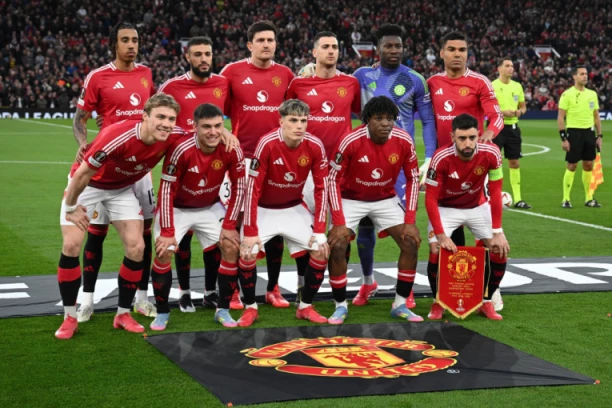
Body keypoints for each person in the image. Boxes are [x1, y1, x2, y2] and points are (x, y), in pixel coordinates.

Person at [55, 93, 182, 339]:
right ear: (145, 117)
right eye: (160, 117)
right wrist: (71, 207)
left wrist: (225, 134)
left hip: (121, 189)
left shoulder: (173, 135)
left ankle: (123, 314)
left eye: (171, 119)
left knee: (137, 247)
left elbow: (202, 135)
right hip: (87, 186)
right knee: (71, 245)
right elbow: (82, 174)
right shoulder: (118, 136)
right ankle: (69, 317)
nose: (166, 124)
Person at [217, 99, 330, 327]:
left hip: (293, 207)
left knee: (321, 250)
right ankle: (251, 308)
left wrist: (320, 230)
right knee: (247, 252)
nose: (299, 126)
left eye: (303, 121)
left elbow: (322, 188)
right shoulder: (267, 143)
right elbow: (252, 190)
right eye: (293, 120)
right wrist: (250, 231)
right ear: (281, 122)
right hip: (263, 209)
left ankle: (305, 307)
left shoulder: (315, 145)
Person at [73, 22, 157, 323]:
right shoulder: (98, 77)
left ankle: (142, 299)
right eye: (125, 40)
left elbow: (152, 114)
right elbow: (80, 119)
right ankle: (87, 300)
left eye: (135, 40)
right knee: (96, 233)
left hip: (141, 168)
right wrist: (83, 144)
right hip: (108, 166)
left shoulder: (146, 74)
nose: (132, 45)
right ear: (114, 44)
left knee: (144, 233)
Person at [351, 23, 436, 308]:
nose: (394, 50)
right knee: (364, 226)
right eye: (388, 45)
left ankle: (405, 289)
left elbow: (427, 120)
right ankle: (367, 281)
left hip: (399, 166)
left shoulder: (415, 79)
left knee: (404, 229)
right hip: (366, 162)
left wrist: (430, 156)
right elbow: (344, 103)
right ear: (377, 49)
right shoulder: (362, 76)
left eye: (398, 46)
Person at [327, 96, 423, 324]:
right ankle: (340, 305)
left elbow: (413, 178)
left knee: (410, 242)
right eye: (379, 118)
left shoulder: (403, 140)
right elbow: (332, 179)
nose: (385, 123)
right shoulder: (350, 140)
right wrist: (338, 221)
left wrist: (410, 220)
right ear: (368, 120)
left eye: (389, 118)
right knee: (337, 244)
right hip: (350, 198)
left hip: (384, 198)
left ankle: (400, 304)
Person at [220, 20, 295, 308]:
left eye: (271, 40)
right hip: (242, 159)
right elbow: (217, 109)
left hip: (277, 160)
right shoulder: (232, 72)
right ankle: (235, 289)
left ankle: (273, 288)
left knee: (275, 224)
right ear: (250, 45)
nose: (266, 44)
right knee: (237, 223)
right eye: (261, 40)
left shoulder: (285, 75)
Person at [149, 103, 245, 330]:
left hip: (209, 206)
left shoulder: (231, 148)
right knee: (164, 251)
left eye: (218, 126)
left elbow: (240, 187)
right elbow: (166, 191)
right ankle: (162, 312)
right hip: (177, 208)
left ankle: (222, 310)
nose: (213, 132)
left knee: (231, 246)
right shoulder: (181, 149)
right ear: (195, 127)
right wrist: (168, 232)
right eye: (206, 127)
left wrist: (230, 225)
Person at [157, 36, 231, 313]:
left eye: (207, 54)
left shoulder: (223, 83)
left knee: (215, 242)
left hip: (214, 166)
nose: (203, 59)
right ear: (187, 57)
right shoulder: (172, 87)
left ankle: (210, 292)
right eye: (197, 54)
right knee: (183, 239)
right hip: (181, 167)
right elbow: (153, 114)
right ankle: (184, 292)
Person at [285, 30, 360, 303]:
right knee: (306, 230)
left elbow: (361, 114)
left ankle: (340, 289)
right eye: (326, 46)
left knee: (341, 230)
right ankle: (303, 286)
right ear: (314, 52)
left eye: (335, 47)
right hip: (306, 169)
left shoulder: (350, 83)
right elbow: (287, 118)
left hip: (342, 169)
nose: (331, 51)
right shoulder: (299, 84)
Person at [426, 30, 504, 283]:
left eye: (462, 50)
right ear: (442, 53)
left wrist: (489, 133)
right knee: (450, 227)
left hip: (472, 162)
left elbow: (496, 116)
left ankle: (488, 290)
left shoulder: (480, 82)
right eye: (451, 49)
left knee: (482, 228)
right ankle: (455, 288)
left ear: (468, 53)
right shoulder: (432, 82)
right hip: (444, 163)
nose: (457, 54)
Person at [424, 113, 510, 321]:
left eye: (472, 137)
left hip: (476, 207)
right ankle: (438, 302)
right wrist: (441, 235)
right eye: (462, 138)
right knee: (435, 249)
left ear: (478, 135)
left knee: (500, 249)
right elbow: (430, 199)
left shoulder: (492, 152)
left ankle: (486, 301)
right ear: (452, 137)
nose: (468, 143)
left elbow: (495, 192)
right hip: (446, 208)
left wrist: (497, 232)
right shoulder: (441, 157)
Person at [558, 66, 603, 208]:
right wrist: (563, 138)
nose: (585, 76)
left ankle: (589, 198)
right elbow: (560, 117)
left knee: (588, 165)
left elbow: (596, 117)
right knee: (572, 165)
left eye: (586, 74)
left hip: (589, 133)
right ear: (574, 77)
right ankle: (566, 199)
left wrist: (599, 136)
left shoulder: (592, 94)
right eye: (582, 74)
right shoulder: (567, 94)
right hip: (574, 133)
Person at [492, 57, 531, 209]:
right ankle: (491, 197)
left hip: (513, 128)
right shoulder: (492, 86)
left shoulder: (517, 86)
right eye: (507, 66)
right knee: (493, 163)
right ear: (499, 69)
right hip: (496, 127)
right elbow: (486, 109)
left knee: (514, 162)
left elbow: (523, 107)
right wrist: (503, 112)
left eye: (512, 66)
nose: (511, 68)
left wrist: (520, 112)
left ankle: (518, 199)